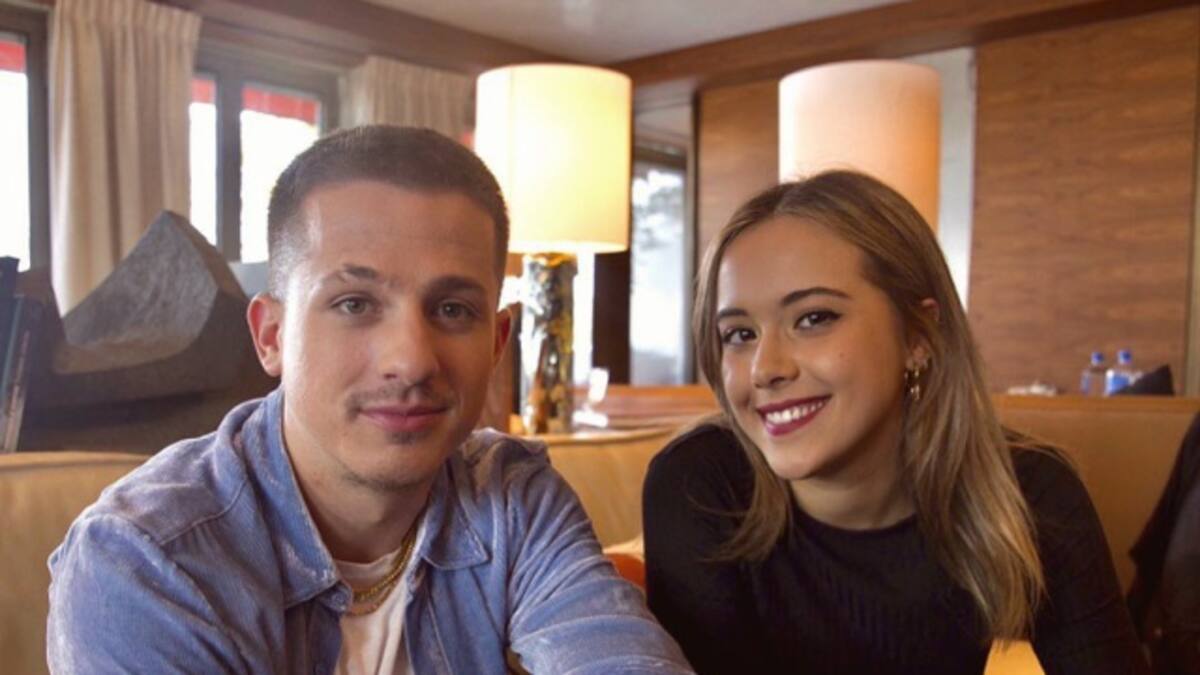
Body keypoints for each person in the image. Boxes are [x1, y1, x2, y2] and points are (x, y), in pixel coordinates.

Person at [47, 126, 691, 674]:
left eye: (452, 309)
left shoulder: (513, 499)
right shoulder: (145, 559)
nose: (412, 360)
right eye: (354, 304)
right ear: (272, 336)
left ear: (497, 343)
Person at [643, 171, 1149, 674]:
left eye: (814, 318)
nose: (765, 368)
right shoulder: (700, 486)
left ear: (917, 336)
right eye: (739, 334)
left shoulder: (1032, 492)